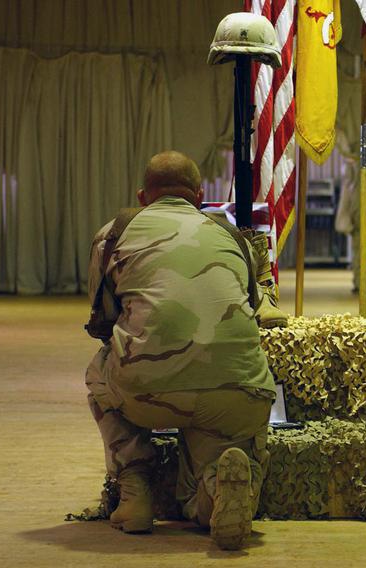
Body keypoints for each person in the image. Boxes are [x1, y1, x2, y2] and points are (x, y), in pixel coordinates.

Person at [84, 151, 280, 550]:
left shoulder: (115, 233)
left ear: (143, 196)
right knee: (218, 440)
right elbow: (256, 309)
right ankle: (211, 495)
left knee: (98, 371)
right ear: (200, 196)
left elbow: (103, 323)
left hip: (147, 391)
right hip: (238, 391)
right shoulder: (232, 236)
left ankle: (136, 493)